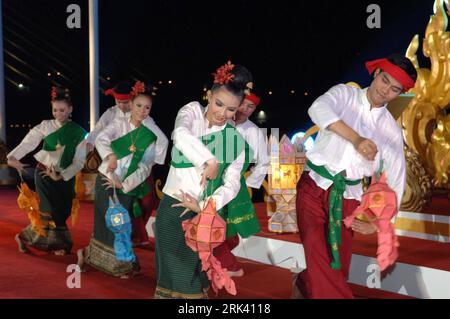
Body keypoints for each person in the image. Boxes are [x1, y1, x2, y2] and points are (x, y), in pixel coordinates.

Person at [293, 53, 417, 299]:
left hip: (349, 198)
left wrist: (380, 222)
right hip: (313, 187)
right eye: (384, 80)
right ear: (375, 73)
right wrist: (356, 139)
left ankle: (303, 283)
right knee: (319, 256)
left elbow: (396, 179)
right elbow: (317, 108)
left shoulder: (390, 130)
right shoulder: (344, 95)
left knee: (338, 266)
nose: (385, 91)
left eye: (394, 89)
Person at [154, 61, 253, 299]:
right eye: (218, 103)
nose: (222, 113)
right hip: (173, 206)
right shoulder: (191, 112)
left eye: (230, 109)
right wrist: (209, 160)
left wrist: (206, 206)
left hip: (203, 214)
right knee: (169, 273)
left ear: (238, 109)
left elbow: (232, 184)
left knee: (193, 276)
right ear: (208, 95)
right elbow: (180, 135)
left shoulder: (236, 142)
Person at [77, 81, 168, 278]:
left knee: (122, 225)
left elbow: (146, 165)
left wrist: (125, 184)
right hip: (107, 179)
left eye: (147, 108)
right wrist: (110, 156)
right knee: (112, 224)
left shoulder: (150, 135)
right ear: (132, 105)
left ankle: (93, 255)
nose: (142, 111)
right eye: (138, 106)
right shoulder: (118, 124)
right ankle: (118, 263)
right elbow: (101, 139)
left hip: (126, 185)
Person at [7, 86, 87, 256]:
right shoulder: (45, 126)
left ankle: (32, 239)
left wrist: (61, 175)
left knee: (62, 211)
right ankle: (46, 243)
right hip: (44, 174)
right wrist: (13, 158)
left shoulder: (80, 133)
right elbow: (28, 143)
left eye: (63, 110)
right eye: (55, 110)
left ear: (70, 109)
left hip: (65, 177)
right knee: (48, 211)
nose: (58, 114)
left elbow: (80, 161)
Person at [214, 90, 270, 277]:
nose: (245, 109)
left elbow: (264, 161)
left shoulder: (253, 131)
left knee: (229, 231)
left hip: (235, 186)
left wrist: (249, 183)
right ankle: (226, 264)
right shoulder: (219, 122)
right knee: (215, 224)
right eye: (243, 104)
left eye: (251, 107)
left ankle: (222, 262)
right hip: (212, 181)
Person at [86, 81, 133, 152]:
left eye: (126, 102)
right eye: (119, 102)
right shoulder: (111, 113)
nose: (122, 106)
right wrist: (90, 142)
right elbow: (97, 130)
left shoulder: (140, 113)